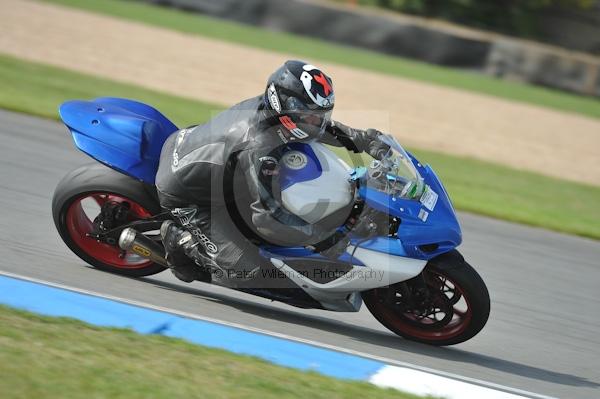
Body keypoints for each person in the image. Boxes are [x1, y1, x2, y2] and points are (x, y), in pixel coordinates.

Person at [155, 60, 388, 287]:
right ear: (286, 108)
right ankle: (180, 242)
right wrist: (323, 239)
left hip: (203, 159)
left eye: (322, 115)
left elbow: (314, 128)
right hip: (190, 195)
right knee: (247, 270)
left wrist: (362, 139)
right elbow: (266, 219)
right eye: (312, 116)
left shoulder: (275, 113)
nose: (319, 123)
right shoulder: (259, 145)